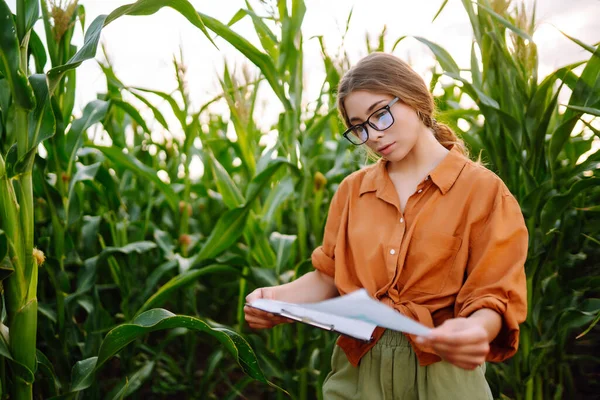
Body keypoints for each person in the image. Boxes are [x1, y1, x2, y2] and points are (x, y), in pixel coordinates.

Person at [244, 52, 528, 400]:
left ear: (414, 97)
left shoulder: (482, 190)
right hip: (359, 368)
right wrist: (274, 300)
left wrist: (473, 330)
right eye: (359, 126)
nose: (373, 135)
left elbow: (493, 293)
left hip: (441, 370)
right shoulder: (352, 191)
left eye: (381, 114)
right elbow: (329, 277)